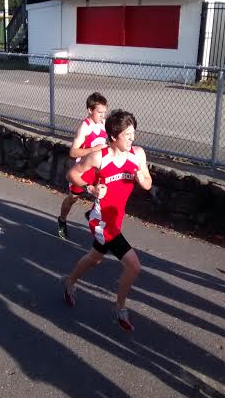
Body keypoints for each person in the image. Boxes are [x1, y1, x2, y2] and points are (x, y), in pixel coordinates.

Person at [62, 110, 152, 331]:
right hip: (102, 220)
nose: (132, 139)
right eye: (127, 135)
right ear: (113, 136)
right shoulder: (99, 157)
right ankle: (119, 306)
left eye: (133, 134)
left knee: (95, 258)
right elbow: (72, 175)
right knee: (134, 266)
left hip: (117, 217)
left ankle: (69, 281)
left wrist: (143, 178)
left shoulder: (138, 154)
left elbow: (148, 183)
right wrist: (90, 188)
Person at [57, 92, 108, 239]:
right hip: (83, 168)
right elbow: (73, 152)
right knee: (73, 197)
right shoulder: (84, 127)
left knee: (104, 194)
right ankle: (62, 220)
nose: (102, 116)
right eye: (99, 112)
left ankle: (92, 213)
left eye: (104, 112)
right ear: (90, 110)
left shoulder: (104, 123)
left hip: (99, 167)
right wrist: (94, 149)